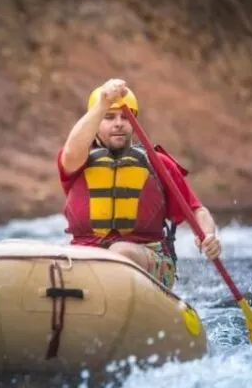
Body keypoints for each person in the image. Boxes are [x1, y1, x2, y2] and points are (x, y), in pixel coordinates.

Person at [56, 78, 222, 289]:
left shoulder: (159, 164)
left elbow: (196, 211)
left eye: (125, 117)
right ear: (95, 122)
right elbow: (71, 151)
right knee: (54, 257)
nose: (118, 123)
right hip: (87, 255)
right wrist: (103, 103)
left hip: (148, 258)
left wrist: (208, 235)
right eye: (108, 117)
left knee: (120, 252)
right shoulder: (77, 159)